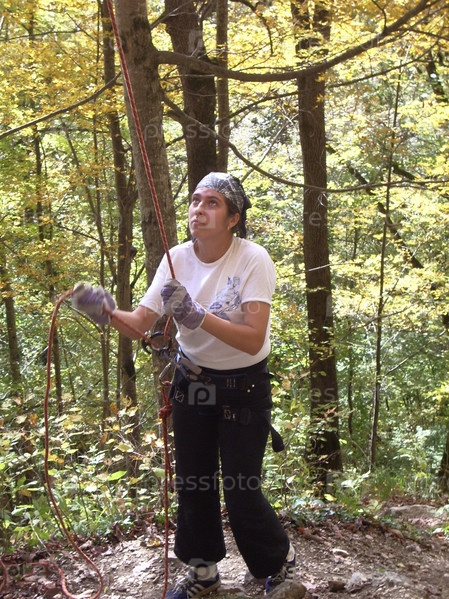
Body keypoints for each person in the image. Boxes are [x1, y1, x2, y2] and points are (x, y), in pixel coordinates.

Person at [72, 172, 296, 597]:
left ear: (233, 218)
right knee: (194, 482)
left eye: (212, 203)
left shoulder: (252, 259)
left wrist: (196, 316)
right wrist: (107, 312)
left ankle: (276, 565)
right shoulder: (176, 258)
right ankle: (203, 572)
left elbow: (253, 339)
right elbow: (141, 324)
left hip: (244, 385)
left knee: (241, 488)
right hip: (193, 380)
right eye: (195, 200)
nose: (199, 209)